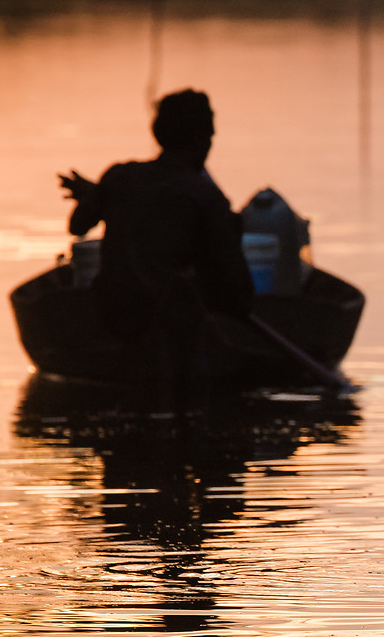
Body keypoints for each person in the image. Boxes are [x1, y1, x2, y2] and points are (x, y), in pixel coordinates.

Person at [59, 89, 255, 409]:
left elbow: (78, 225)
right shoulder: (205, 198)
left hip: (113, 310)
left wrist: (99, 195)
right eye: (210, 131)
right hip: (169, 321)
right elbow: (240, 293)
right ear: (201, 138)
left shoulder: (119, 177)